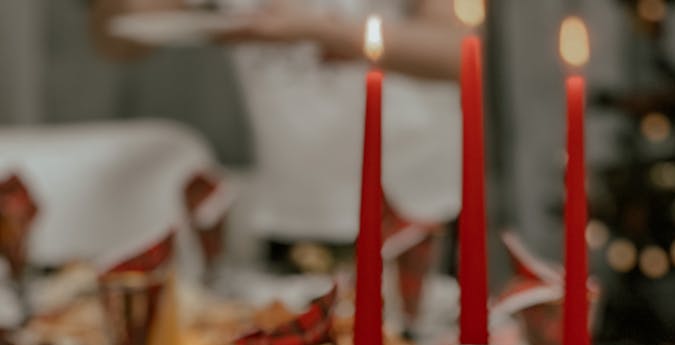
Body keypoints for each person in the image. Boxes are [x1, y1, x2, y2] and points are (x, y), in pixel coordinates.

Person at [90, 1, 466, 265]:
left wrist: (321, 30)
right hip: (294, 208)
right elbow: (118, 37)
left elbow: (458, 50)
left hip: (416, 206)